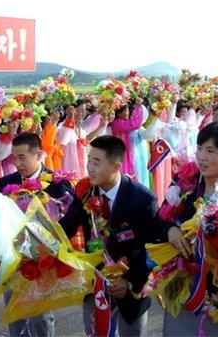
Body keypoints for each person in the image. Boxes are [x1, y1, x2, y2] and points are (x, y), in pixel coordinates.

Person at [60, 135, 159, 336]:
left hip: (133, 283)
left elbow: (152, 247)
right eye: (89, 160)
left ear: (116, 166)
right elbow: (67, 226)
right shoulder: (86, 192)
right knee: (95, 331)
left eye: (96, 162)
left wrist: (130, 281)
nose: (89, 167)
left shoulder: (142, 199)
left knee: (133, 332)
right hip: (97, 278)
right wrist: (42, 236)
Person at [160, 121, 218, 336]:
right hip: (182, 282)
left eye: (210, 151)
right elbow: (161, 218)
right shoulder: (185, 182)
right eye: (200, 148)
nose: (202, 156)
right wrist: (171, 231)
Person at [0, 132, 74, 336]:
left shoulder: (58, 183)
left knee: (41, 317)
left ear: (38, 154)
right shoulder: (6, 182)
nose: (17, 163)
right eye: (14, 158)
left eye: (22, 157)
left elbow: (67, 218)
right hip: (13, 256)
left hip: (42, 257)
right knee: (15, 314)